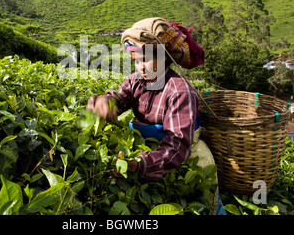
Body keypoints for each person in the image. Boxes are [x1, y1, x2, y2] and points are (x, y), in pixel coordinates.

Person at [86, 17, 205, 181]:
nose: (141, 66)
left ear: (163, 57)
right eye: (137, 60)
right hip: (146, 152)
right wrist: (103, 103)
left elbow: (177, 146)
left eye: (146, 59)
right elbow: (118, 98)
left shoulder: (180, 92)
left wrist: (140, 164)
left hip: (179, 159)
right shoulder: (135, 81)